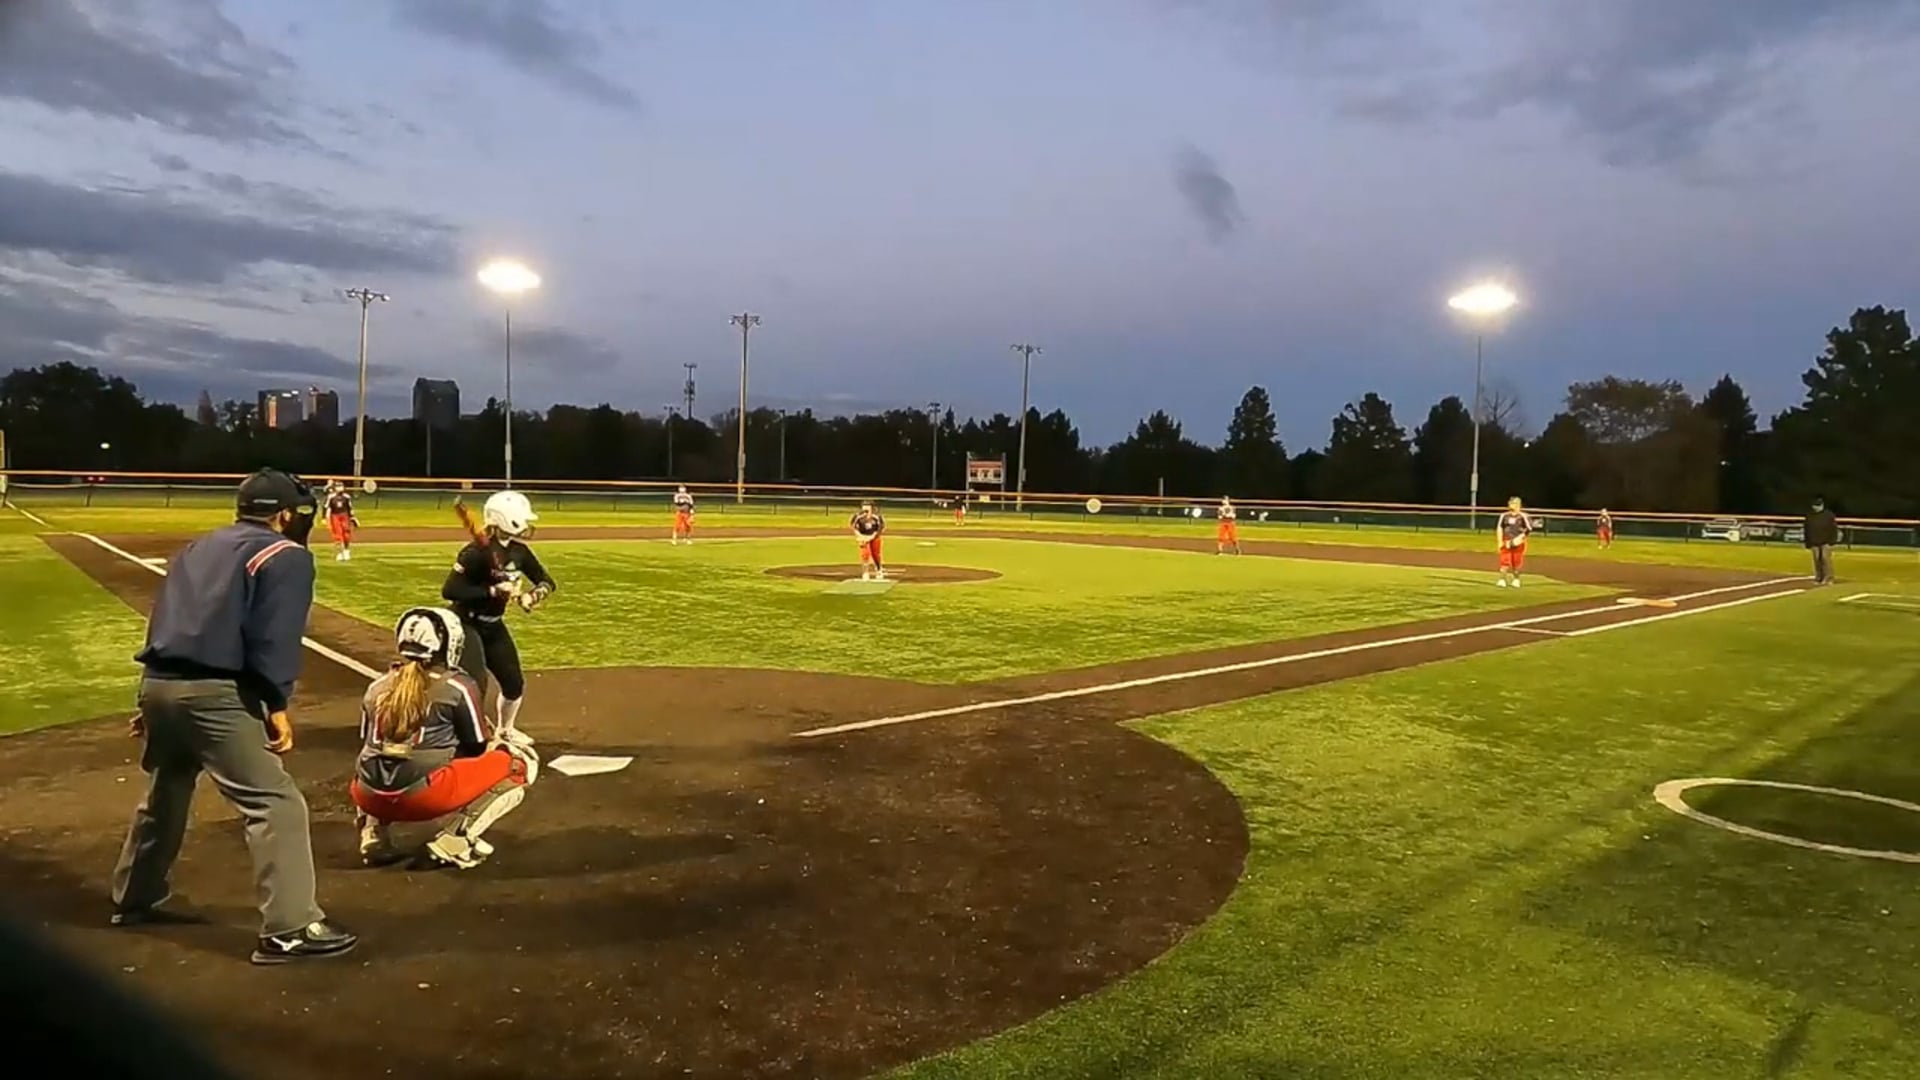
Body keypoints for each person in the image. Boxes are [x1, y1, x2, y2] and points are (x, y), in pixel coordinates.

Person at [111, 468, 356, 965]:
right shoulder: (286, 555)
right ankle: (290, 929)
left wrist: (146, 699)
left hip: (159, 684)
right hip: (215, 694)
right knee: (275, 802)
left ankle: (135, 898)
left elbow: (164, 620)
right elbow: (273, 638)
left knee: (166, 791)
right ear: (283, 515)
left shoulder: (198, 547)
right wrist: (276, 704)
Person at [351, 607, 538, 870]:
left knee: (374, 759)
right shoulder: (457, 686)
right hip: (423, 798)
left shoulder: (376, 686)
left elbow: (368, 741)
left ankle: (373, 835)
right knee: (519, 763)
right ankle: (455, 840)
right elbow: (477, 747)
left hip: (367, 796)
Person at [442, 490, 554, 747]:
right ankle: (464, 737)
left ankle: (506, 730)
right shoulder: (474, 553)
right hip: (466, 623)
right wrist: (492, 591)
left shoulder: (519, 552)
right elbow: (450, 590)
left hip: (493, 625)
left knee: (514, 683)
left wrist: (532, 596)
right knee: (475, 683)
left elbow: (546, 581)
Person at [1495, 495, 1536, 588]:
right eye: (1510, 503)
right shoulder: (1504, 516)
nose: (1510, 504)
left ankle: (1516, 579)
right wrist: (1500, 541)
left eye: (1513, 503)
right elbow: (1500, 528)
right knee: (1504, 561)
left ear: (1518, 504)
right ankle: (1502, 579)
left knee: (1516, 562)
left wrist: (1520, 538)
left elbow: (1529, 528)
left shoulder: (1523, 516)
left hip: (1518, 542)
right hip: (1506, 541)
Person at [1804, 496, 1839, 585]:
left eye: (1818, 505)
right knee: (1817, 560)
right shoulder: (1810, 515)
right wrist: (1807, 542)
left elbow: (1833, 529)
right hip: (1814, 541)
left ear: (1822, 505)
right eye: (1815, 505)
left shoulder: (1829, 515)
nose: (1816, 507)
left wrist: (1832, 541)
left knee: (1825, 559)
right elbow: (1806, 529)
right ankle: (1819, 577)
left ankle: (1829, 578)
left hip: (1826, 541)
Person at [851, 501, 886, 580]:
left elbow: (880, 529)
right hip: (863, 536)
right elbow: (853, 527)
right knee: (865, 554)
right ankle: (865, 572)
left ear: (871, 509)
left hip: (874, 536)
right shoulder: (858, 516)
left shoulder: (877, 517)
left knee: (876, 554)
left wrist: (871, 537)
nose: (865, 513)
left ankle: (878, 569)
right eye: (864, 510)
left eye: (867, 510)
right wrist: (860, 537)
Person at [325, 480, 358, 562]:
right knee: (337, 534)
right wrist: (324, 518)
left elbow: (349, 508)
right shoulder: (331, 497)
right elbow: (326, 507)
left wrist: (352, 517)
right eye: (338, 486)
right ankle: (340, 552)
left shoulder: (346, 497)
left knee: (346, 533)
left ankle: (346, 550)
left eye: (341, 486)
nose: (340, 488)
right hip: (335, 516)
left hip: (344, 515)